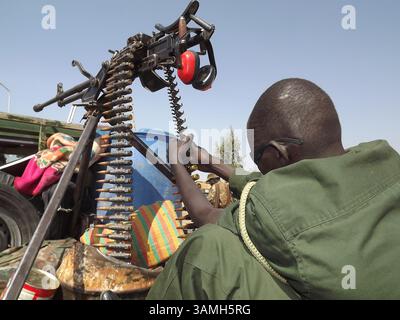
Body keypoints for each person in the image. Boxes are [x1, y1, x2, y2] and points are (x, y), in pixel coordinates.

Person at [146, 78, 400, 299]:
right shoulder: (383, 162)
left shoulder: (275, 213)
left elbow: (205, 215)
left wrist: (177, 163)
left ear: (280, 153)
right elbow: (270, 187)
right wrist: (215, 164)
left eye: (257, 156)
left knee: (206, 248)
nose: (257, 164)